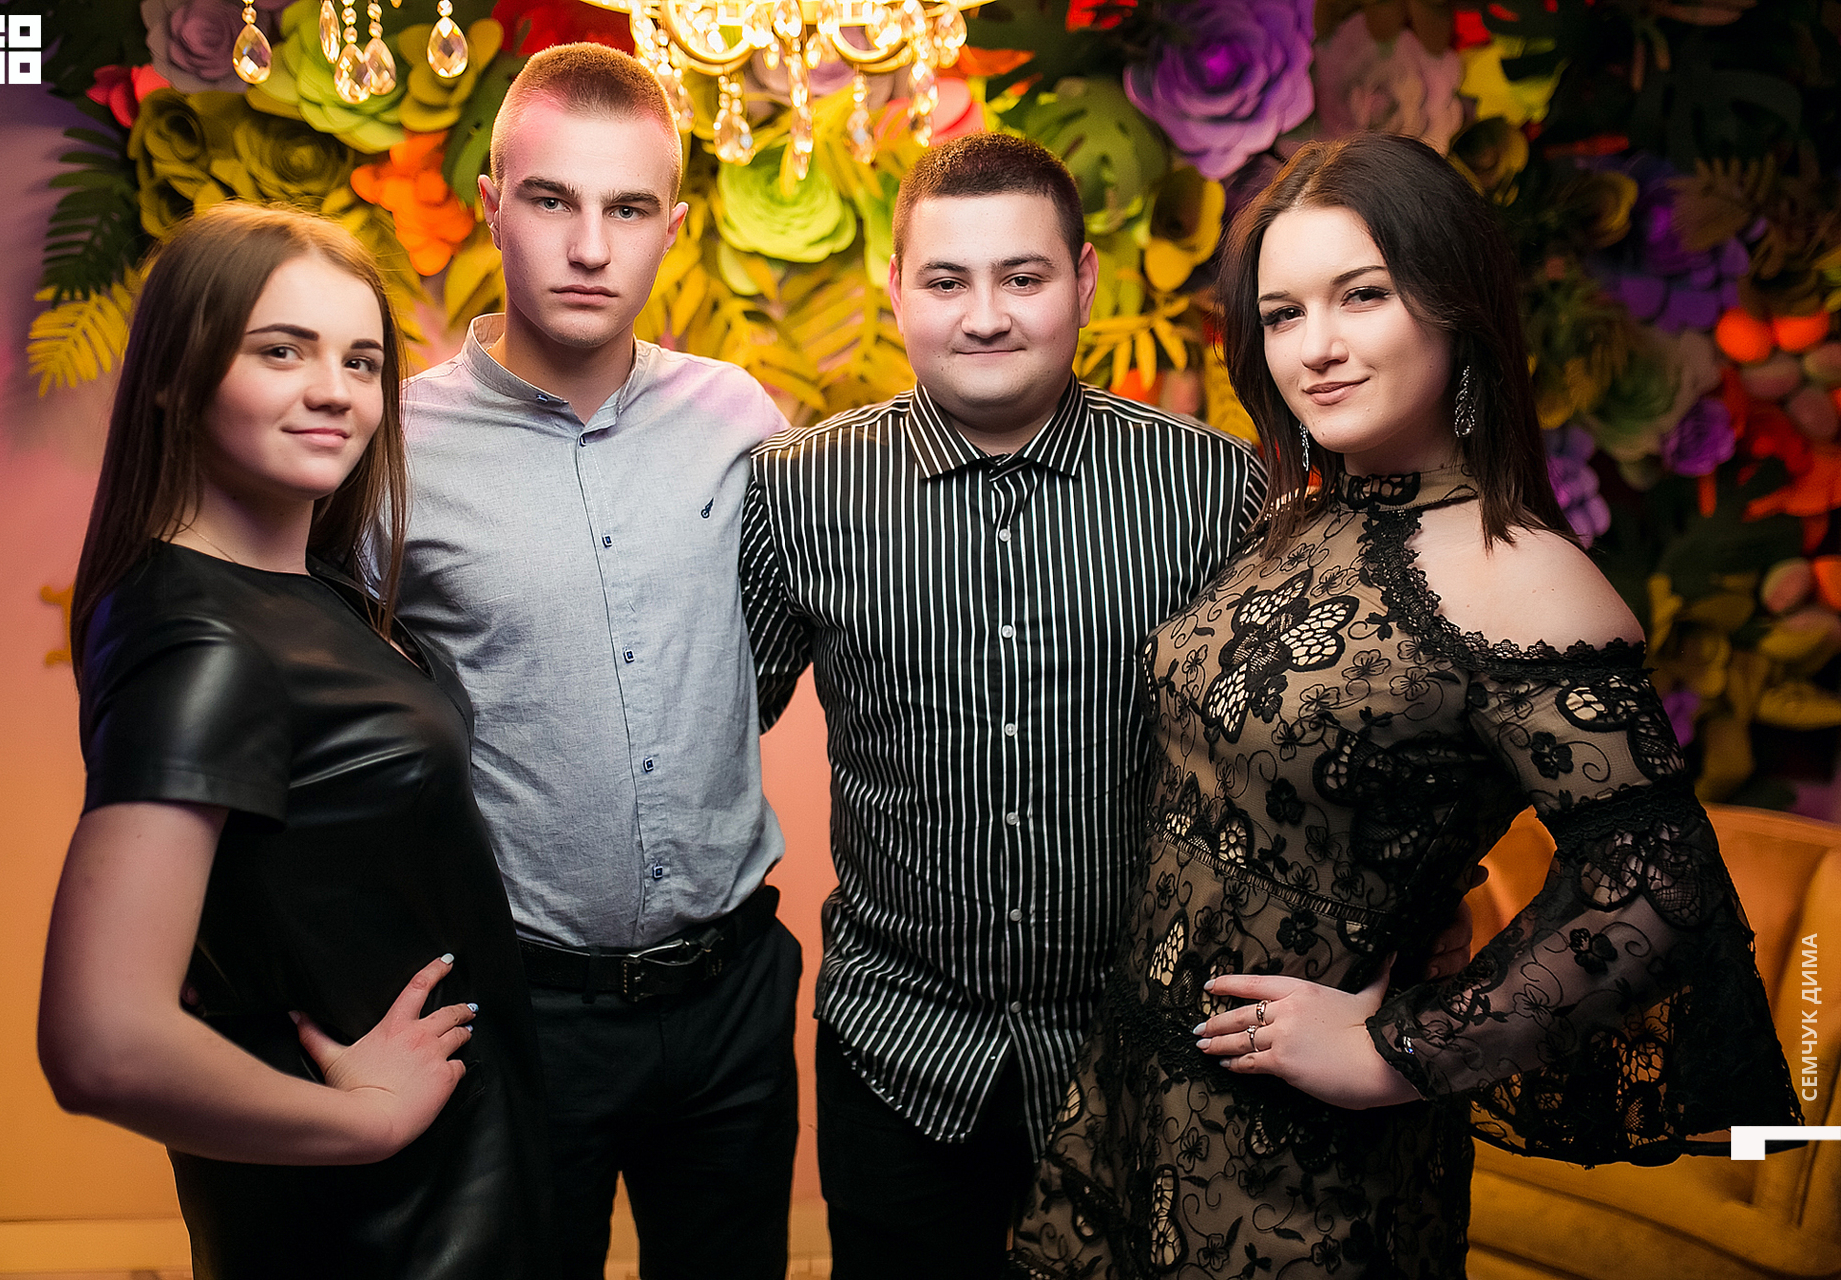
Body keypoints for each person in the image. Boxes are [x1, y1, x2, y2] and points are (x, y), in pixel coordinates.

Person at [1009, 132, 1803, 1279]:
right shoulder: (1298, 519)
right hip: (1136, 1100)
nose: (1315, 347)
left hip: (1306, 1180)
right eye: (1282, 314)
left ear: (1454, 304)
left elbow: (1659, 887)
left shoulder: (1517, 571)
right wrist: (1423, 883)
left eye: (1362, 295)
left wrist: (1395, 1050)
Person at [740, 132, 1271, 1276]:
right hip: (897, 1046)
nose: (985, 315)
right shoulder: (798, 489)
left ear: (1083, 279)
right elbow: (705, 726)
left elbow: (1281, 759)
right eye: (947, 280)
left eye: (1021, 276)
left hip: (1140, 1044)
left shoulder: (1212, 486)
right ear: (895, 288)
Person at [38, 203, 548, 1277]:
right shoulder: (203, 639)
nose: (336, 390)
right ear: (176, 375)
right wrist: (364, 1121)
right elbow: (101, 1042)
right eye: (282, 351)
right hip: (376, 1221)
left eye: (361, 361)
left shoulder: (305, 591)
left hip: (465, 1169)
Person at [393, 42, 800, 1280]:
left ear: (671, 227)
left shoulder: (742, 420)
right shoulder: (394, 450)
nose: (587, 247)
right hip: (523, 1010)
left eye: (627, 209)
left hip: (734, 999)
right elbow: (323, 714)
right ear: (491, 205)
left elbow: (794, 635)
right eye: (551, 200)